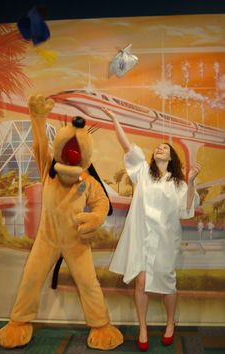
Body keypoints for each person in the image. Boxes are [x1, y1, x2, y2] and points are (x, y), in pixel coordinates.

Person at [102, 107, 201, 351]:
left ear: (171, 157)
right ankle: (143, 328)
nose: (160, 148)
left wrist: (190, 183)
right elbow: (128, 147)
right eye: (158, 147)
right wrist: (115, 121)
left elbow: (186, 210)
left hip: (166, 240)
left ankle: (170, 323)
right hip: (142, 238)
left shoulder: (177, 183)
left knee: (167, 283)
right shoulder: (143, 173)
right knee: (141, 281)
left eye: (165, 148)